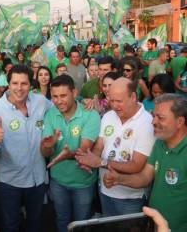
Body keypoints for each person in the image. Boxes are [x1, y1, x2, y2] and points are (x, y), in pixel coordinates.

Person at [0, 64, 52, 232]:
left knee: (35, 223)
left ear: (30, 85)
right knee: (11, 225)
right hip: (10, 183)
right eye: (15, 83)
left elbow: (58, 113)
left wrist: (83, 102)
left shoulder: (40, 101)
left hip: (37, 179)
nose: (19, 88)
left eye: (24, 83)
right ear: (8, 84)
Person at [103, 94, 187, 232]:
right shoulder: (160, 143)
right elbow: (145, 177)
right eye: (154, 116)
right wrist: (119, 179)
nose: (153, 122)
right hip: (155, 224)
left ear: (180, 122)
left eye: (161, 117)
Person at [76, 77, 155, 216]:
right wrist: (90, 160)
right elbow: (99, 146)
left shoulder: (147, 123)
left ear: (133, 96)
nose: (115, 106)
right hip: (105, 190)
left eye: (119, 101)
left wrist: (100, 162)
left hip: (130, 197)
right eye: (111, 100)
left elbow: (137, 165)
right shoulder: (108, 116)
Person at [41, 74, 100, 232]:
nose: (58, 101)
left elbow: (84, 150)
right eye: (54, 96)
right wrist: (48, 146)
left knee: (81, 223)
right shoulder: (50, 114)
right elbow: (45, 151)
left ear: (74, 93)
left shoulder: (90, 115)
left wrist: (68, 155)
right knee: (62, 220)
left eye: (63, 95)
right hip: (58, 181)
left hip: (83, 182)